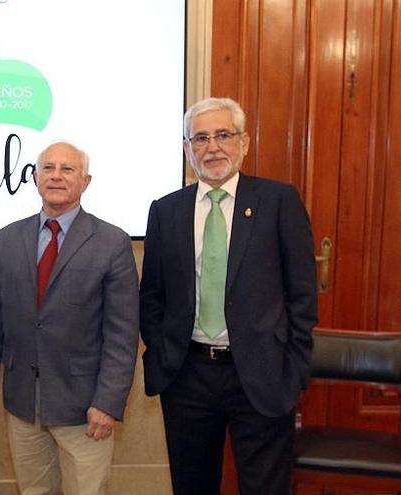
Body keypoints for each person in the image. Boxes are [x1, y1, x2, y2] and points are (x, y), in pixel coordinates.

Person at [139, 97, 318, 495]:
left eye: (223, 135)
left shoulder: (277, 202)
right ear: (187, 149)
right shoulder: (165, 211)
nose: (212, 146)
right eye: (200, 138)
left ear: (245, 142)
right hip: (188, 376)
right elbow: (151, 295)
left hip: (262, 373)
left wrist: (293, 371)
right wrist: (166, 352)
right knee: (192, 485)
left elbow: (302, 296)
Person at [0, 141, 140, 495]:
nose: (56, 176)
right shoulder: (9, 238)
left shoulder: (112, 242)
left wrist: (107, 404)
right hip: (23, 403)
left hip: (84, 407)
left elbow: (121, 336)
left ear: (86, 181)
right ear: (35, 176)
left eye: (67, 169)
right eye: (48, 168)